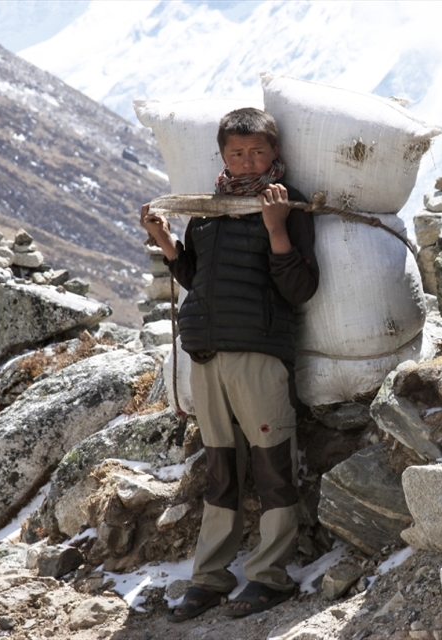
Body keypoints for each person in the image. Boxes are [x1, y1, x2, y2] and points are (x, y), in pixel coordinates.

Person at [140, 108, 319, 621]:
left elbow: (300, 288)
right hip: (206, 357)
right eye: (236, 153)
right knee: (220, 471)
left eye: (257, 152)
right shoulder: (209, 209)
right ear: (222, 156)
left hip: (258, 356)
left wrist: (275, 227)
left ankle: (270, 577)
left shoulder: (288, 206)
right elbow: (196, 278)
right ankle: (210, 578)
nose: (247, 161)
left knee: (272, 465)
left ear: (275, 152)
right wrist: (165, 240)